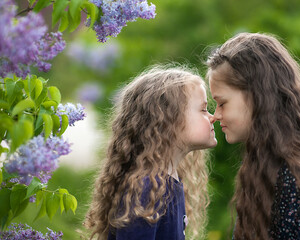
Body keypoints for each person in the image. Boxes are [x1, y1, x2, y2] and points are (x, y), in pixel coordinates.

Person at [207, 32, 300, 240]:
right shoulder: (266, 166)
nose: (216, 115)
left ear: (257, 95)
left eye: (222, 103)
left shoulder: (292, 177)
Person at [84, 65, 217, 240]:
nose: (213, 116)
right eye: (203, 110)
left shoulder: (169, 182)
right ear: (168, 122)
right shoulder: (146, 188)